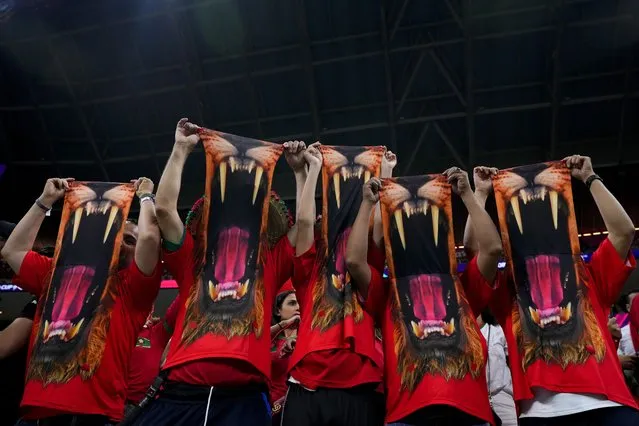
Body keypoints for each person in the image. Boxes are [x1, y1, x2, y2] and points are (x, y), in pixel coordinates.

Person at [129, 119, 305, 425]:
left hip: (244, 397)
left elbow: (304, 226)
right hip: (180, 392)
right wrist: (181, 148)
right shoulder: (190, 260)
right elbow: (165, 210)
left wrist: (300, 172)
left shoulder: (270, 264)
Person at [466, 156, 639, 426]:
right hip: (540, 413)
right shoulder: (508, 294)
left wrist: (589, 178)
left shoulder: (589, 278)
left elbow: (624, 232)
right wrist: (480, 192)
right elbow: (477, 250)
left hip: (609, 405)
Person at [346, 168, 502, 426]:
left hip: (470, 414)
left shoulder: (463, 287)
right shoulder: (386, 294)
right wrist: (366, 204)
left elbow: (493, 248)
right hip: (406, 416)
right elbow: (353, 261)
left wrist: (467, 195)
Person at [1, 176, 162, 425]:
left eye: (131, 241)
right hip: (36, 412)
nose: (121, 243)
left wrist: (146, 197)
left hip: (93, 415)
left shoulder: (134, 289)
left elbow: (151, 238)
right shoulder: (56, 274)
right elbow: (13, 251)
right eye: (119, 236)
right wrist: (44, 202)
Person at [281, 145, 385, 426]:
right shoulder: (309, 272)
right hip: (307, 386)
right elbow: (303, 221)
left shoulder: (370, 276)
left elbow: (374, 237)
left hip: (360, 389)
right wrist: (309, 170)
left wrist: (385, 175)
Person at [124, 296, 180, 415]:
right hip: (119, 408)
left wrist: (193, 283)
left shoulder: (157, 333)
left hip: (148, 407)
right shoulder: (119, 333)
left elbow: (174, 312)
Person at [477, 313, 517, 426]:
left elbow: (514, 360)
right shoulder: (462, 335)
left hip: (502, 394)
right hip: (477, 399)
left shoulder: (497, 330)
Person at [270, 282, 299, 425]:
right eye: (292, 303)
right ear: (277, 311)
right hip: (270, 407)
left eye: (300, 303)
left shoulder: (308, 337)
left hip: (300, 408)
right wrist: (284, 324)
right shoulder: (271, 339)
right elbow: (255, 341)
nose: (298, 307)